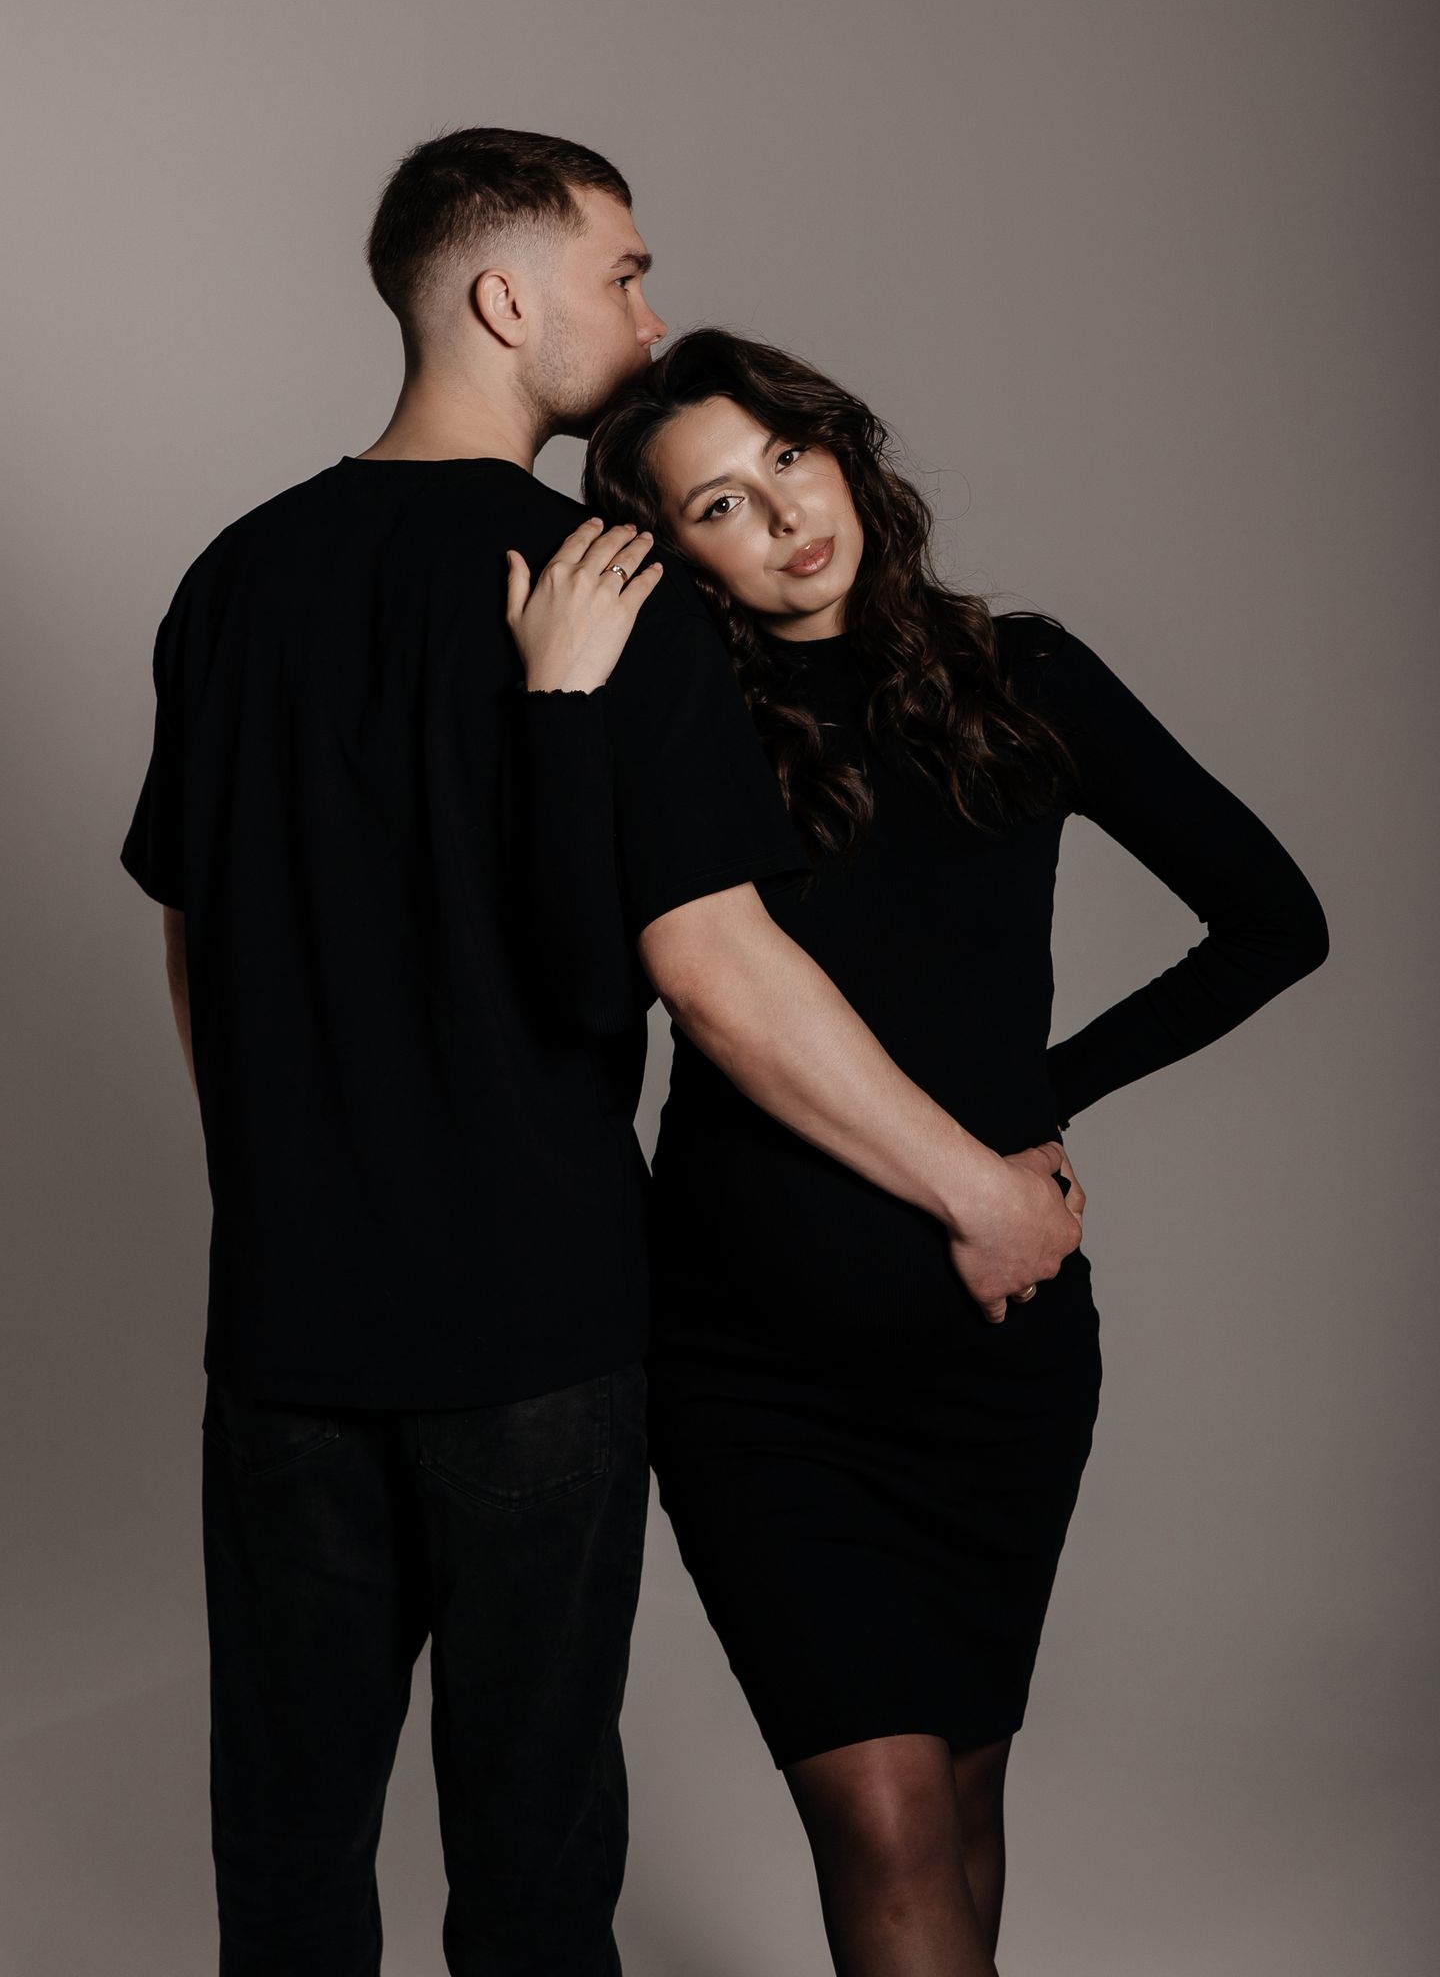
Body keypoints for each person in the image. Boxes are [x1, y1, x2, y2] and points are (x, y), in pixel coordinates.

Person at [119, 130, 1081, 1977]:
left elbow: (195, 934)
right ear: (504, 299)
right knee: (537, 1855)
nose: (647, 315)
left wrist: (293, 1181)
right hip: (536, 1329)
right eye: (622, 273)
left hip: (287, 1325)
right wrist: (976, 1186)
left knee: (288, 1850)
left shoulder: (232, 576)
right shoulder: (605, 582)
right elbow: (710, 966)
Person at [504, 326, 1331, 1977]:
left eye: (788, 459)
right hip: (751, 1364)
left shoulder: (1025, 677)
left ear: (841, 449)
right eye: (720, 505)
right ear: (678, 554)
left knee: (958, 1796)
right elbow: (581, 987)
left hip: (993, 1354)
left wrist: (1036, 1103)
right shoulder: (677, 722)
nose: (784, 517)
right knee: (883, 1823)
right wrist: (562, 709)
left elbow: (1273, 923)